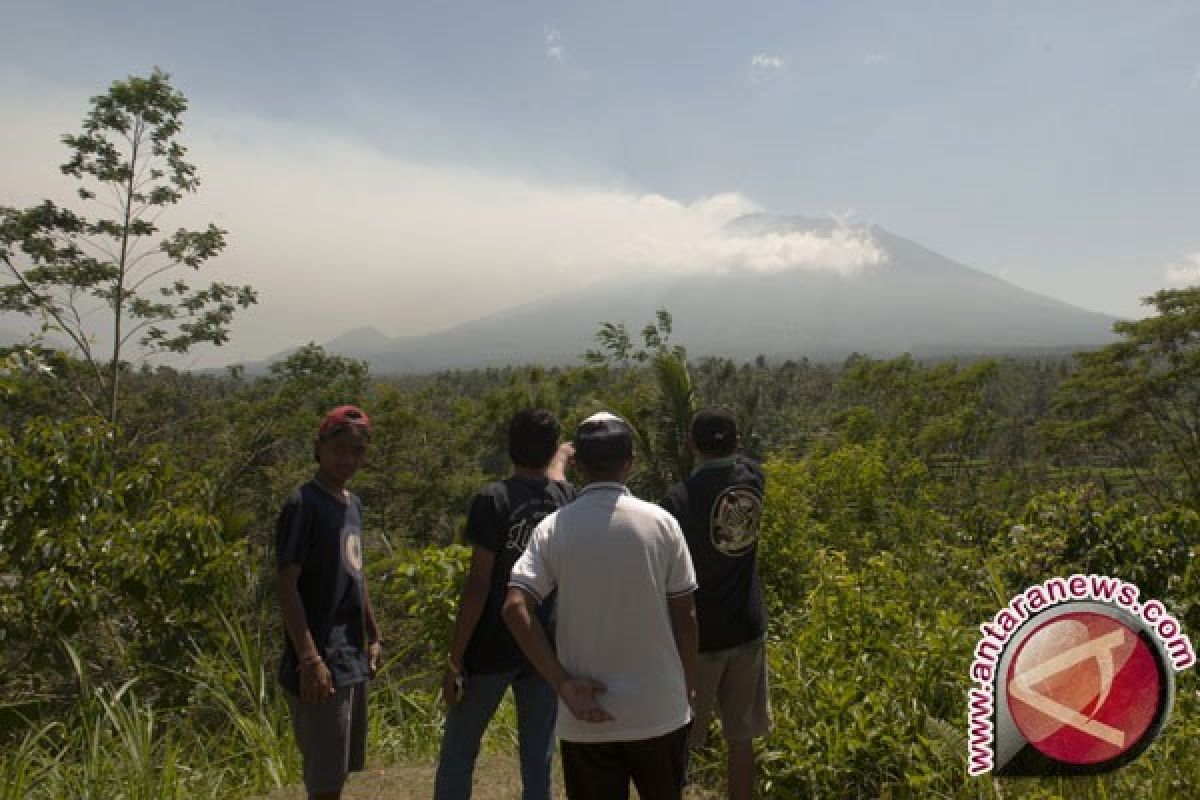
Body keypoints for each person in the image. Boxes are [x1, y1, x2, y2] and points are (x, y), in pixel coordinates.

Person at [503, 411, 699, 800]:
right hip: (657, 707)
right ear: (630, 462)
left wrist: (561, 683)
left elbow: (514, 608)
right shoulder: (662, 524)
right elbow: (686, 616)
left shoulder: (554, 528)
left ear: (576, 465)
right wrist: (687, 685)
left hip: (587, 715)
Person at [433, 409, 575, 800]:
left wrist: (455, 656)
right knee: (538, 756)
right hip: (542, 646)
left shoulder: (492, 500)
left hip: (490, 646)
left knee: (460, 752)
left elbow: (479, 583)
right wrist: (560, 458)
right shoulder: (563, 500)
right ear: (549, 452)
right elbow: (558, 479)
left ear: (510, 447)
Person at [660, 408, 770, 800]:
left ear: (692, 444)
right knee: (741, 738)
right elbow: (744, 461)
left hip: (698, 636)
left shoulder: (679, 499)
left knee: (680, 739)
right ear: (737, 441)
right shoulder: (754, 480)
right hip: (747, 627)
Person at [276, 405, 384, 800]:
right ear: (318, 448)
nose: (348, 459)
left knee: (337, 772)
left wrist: (374, 634)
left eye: (358, 451)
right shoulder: (303, 504)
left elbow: (355, 574)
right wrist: (309, 659)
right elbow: (287, 585)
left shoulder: (351, 503)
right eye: (339, 449)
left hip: (349, 656)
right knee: (324, 781)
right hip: (320, 663)